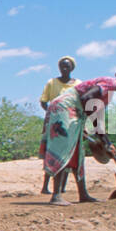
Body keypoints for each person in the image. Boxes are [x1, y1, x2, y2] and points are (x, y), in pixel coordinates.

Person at [42, 66, 116, 206]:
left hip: (76, 111)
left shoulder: (109, 92)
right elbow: (86, 97)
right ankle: (56, 196)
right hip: (65, 108)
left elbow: (97, 120)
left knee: (78, 152)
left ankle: (83, 194)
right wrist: (98, 132)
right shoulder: (111, 84)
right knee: (63, 149)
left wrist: (106, 141)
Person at [38, 56, 79, 194]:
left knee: (68, 153)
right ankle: (45, 187)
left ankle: (62, 187)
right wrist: (53, 113)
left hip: (71, 123)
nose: (64, 68)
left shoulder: (78, 84)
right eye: (62, 66)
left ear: (72, 68)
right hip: (54, 123)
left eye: (67, 66)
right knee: (52, 152)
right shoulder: (52, 83)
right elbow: (44, 101)